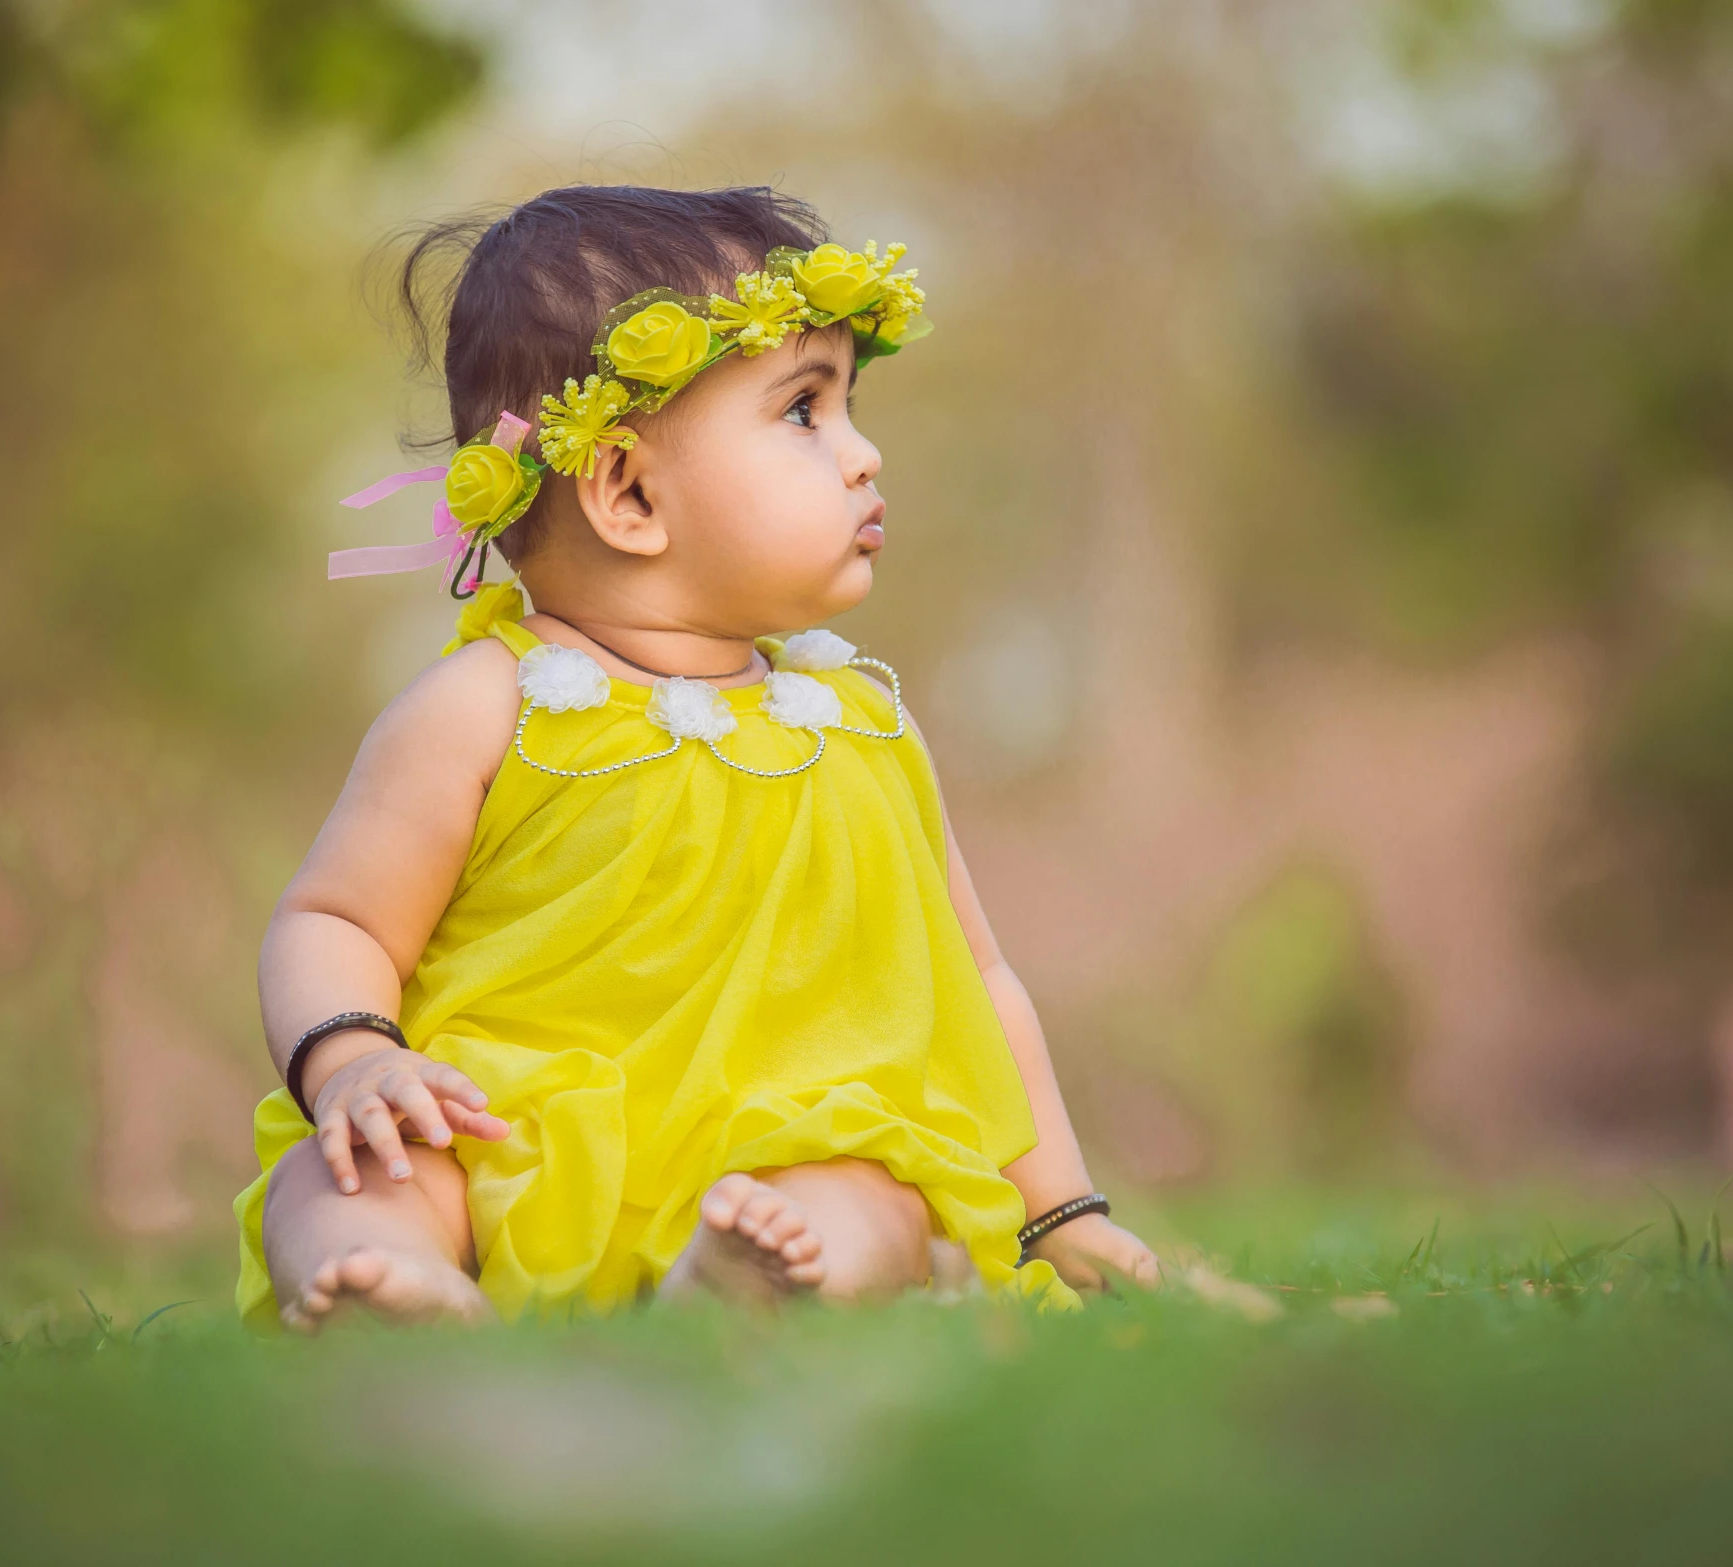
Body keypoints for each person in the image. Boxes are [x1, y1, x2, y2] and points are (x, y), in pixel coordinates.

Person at [235, 184, 1161, 1330]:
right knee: (344, 1178)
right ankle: (402, 1276)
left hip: (782, 1151)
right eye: (802, 413)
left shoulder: (861, 722)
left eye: (848, 405)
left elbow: (977, 985)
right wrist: (353, 1062)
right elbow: (337, 921)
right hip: (498, 1136)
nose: (865, 455)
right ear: (626, 490)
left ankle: (743, 1281)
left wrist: (1056, 1210)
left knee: (873, 1202)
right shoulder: (486, 707)